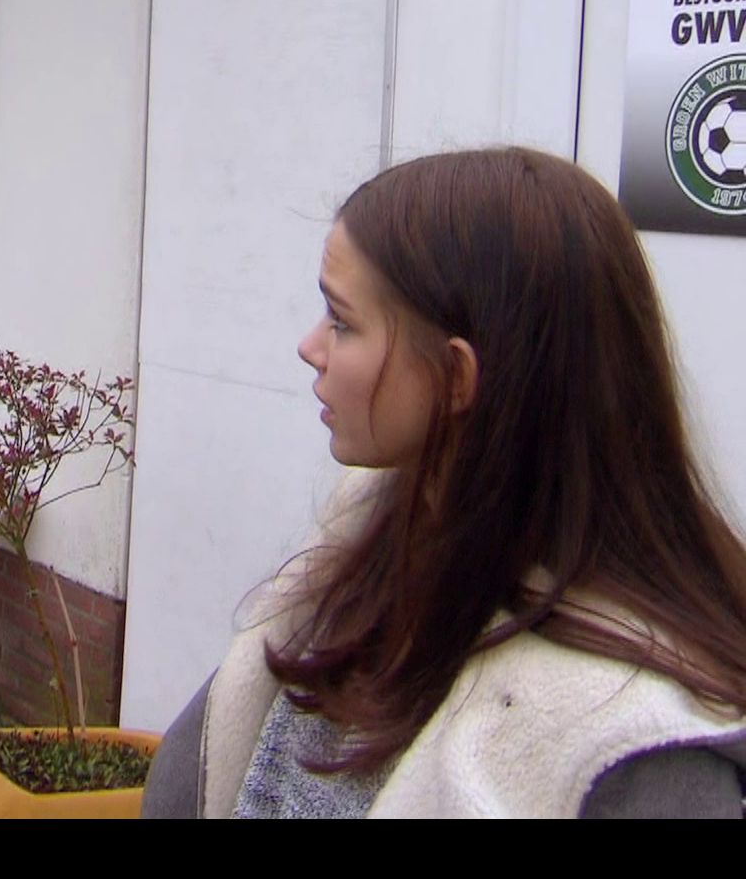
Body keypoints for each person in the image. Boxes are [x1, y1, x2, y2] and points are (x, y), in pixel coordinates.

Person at [143, 146, 746, 818]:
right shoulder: (364, 551)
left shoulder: (640, 750)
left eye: (342, 322)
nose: (310, 348)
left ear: (456, 377)